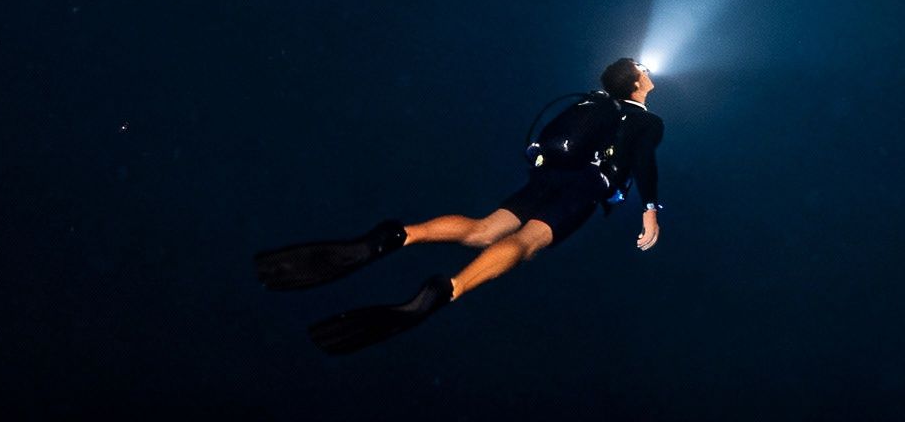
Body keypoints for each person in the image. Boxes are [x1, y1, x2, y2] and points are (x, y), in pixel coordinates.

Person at [255, 58, 664, 354]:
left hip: (549, 174)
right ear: (634, 85)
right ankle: (451, 288)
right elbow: (642, 159)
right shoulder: (645, 120)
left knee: (484, 228)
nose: (649, 73)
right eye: (643, 70)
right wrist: (650, 210)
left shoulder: (592, 103)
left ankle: (402, 234)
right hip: (585, 185)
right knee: (526, 244)